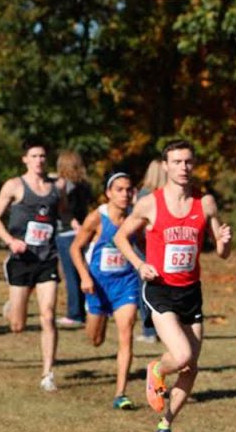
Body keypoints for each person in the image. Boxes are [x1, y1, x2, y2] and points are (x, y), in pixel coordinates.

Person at [112, 139, 232, 432]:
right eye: (177, 162)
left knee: (191, 367)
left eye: (188, 161)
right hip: (160, 290)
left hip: (191, 292)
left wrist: (225, 240)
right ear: (166, 166)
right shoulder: (150, 203)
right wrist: (140, 265)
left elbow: (222, 252)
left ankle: (166, 424)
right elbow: (121, 237)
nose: (183, 167)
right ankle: (157, 368)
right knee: (181, 355)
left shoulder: (205, 203)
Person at [0, 138, 63, 391]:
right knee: (17, 326)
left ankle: (47, 374)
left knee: (48, 314)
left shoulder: (56, 187)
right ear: (25, 159)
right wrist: (10, 241)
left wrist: (74, 223)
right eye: (34, 156)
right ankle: (12, 307)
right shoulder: (14, 186)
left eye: (42, 156)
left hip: (47, 259)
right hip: (21, 259)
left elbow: (65, 212)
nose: (39, 160)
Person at [69, 172, 141, 410]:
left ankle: (120, 393)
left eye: (128, 189)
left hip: (126, 283)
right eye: (119, 189)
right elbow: (75, 249)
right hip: (98, 285)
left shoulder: (136, 217)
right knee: (95, 340)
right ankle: (99, 323)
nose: (125, 194)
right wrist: (84, 276)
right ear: (109, 193)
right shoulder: (96, 218)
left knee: (126, 332)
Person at [55, 149, 93, 327]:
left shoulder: (64, 185)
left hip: (66, 232)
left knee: (70, 275)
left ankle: (75, 313)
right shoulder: (85, 184)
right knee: (81, 272)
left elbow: (63, 210)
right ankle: (85, 308)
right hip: (83, 232)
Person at [134, 157, 166, 344]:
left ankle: (149, 331)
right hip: (164, 250)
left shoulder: (145, 194)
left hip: (146, 249)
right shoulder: (167, 196)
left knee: (145, 291)